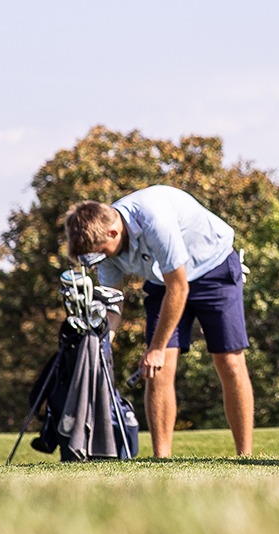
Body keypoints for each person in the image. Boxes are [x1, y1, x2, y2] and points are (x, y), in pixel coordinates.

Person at [62, 186, 253, 458]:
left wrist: (156, 347)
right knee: (158, 370)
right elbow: (113, 301)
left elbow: (180, 289)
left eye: (101, 251)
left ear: (113, 233)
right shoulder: (104, 245)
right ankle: (161, 460)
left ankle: (245, 456)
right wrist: (104, 343)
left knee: (229, 362)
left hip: (213, 268)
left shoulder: (154, 220)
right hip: (163, 280)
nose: (100, 259)